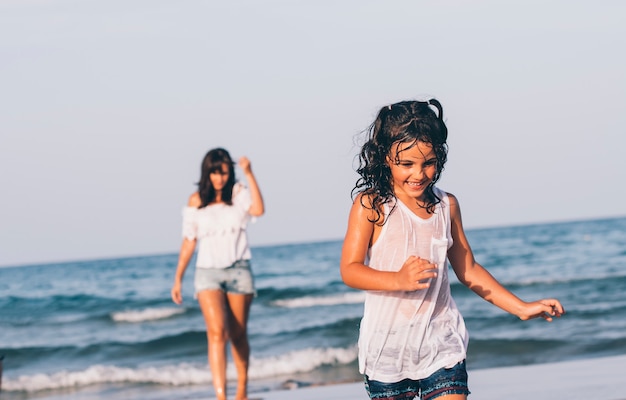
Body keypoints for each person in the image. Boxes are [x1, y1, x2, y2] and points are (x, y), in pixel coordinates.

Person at [339, 99, 565, 400]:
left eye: (428, 162)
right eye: (406, 164)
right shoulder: (372, 206)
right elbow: (350, 270)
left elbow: (468, 269)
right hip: (387, 353)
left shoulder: (446, 206)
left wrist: (520, 308)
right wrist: (398, 280)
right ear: (384, 158)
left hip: (441, 346)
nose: (419, 174)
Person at [171, 147, 264, 400]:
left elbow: (258, 210)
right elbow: (189, 241)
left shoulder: (238, 194)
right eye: (214, 172)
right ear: (207, 173)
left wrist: (249, 173)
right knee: (216, 332)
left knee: (238, 333)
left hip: (238, 270)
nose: (219, 177)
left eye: (223, 172)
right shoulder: (196, 201)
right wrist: (178, 277)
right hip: (207, 273)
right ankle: (221, 396)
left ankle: (241, 391)